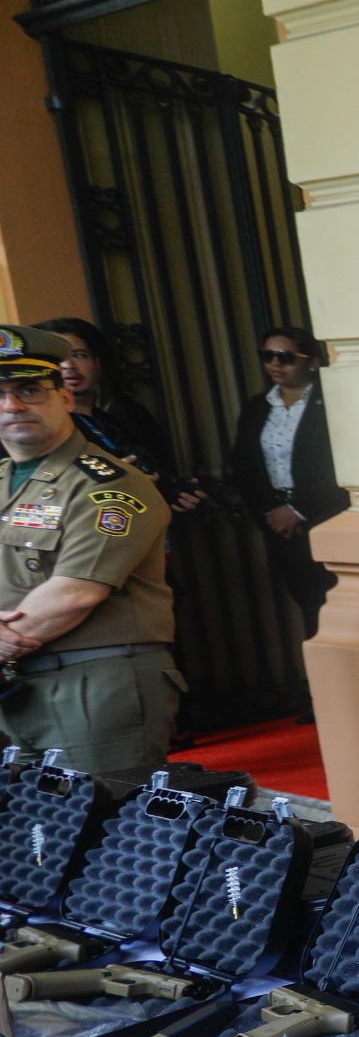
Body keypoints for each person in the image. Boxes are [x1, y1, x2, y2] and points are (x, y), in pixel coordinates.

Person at [0, 325, 181, 776]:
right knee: (33, 821)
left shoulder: (110, 484)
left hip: (93, 685)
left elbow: (76, 593)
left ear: (64, 397)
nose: (12, 406)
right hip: (17, 686)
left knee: (104, 816)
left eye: (29, 391)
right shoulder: (4, 478)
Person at [229, 324, 350, 639]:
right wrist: (271, 514)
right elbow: (244, 466)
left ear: (312, 361)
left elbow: (342, 463)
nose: (275, 364)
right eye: (267, 355)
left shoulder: (331, 403)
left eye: (285, 357)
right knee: (308, 604)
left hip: (324, 515)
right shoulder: (258, 407)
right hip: (280, 526)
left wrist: (298, 509)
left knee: (338, 604)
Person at [35, 316, 176, 478]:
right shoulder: (39, 427)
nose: (68, 365)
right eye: (57, 358)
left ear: (97, 364)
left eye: (79, 355)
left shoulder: (117, 419)